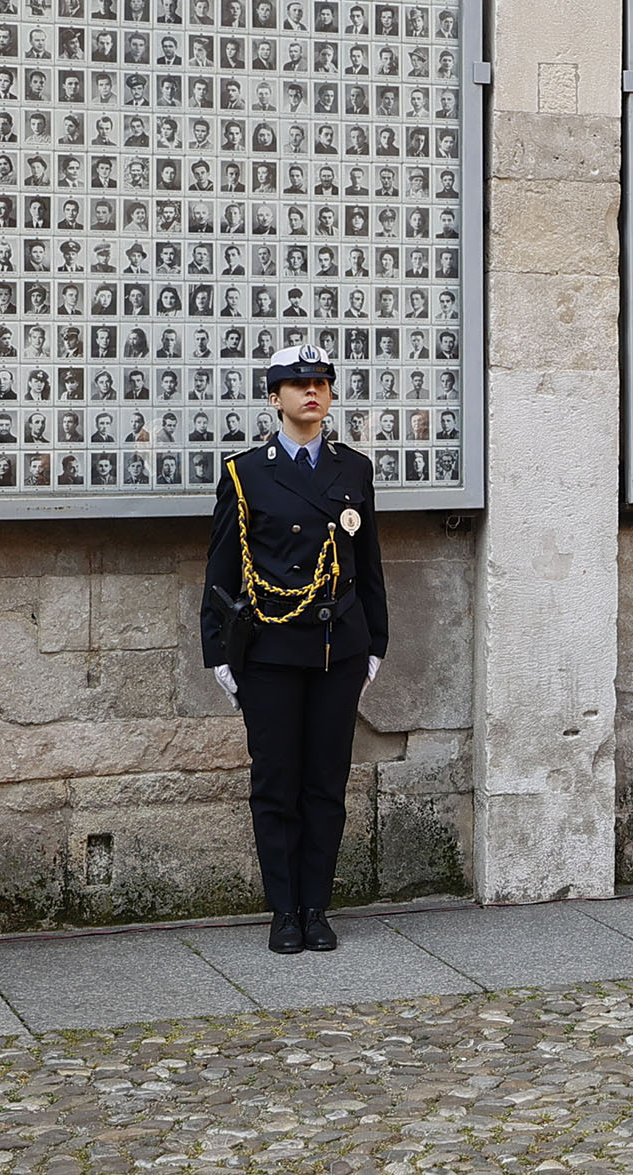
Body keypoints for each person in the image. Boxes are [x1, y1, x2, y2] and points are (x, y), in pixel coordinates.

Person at [199, 344, 388, 955]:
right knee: (276, 781)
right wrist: (219, 653)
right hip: (273, 649)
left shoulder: (353, 469)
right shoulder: (245, 472)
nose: (313, 392)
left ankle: (316, 906)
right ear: (275, 396)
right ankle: (284, 912)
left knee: (326, 782)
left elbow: (370, 565)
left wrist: (376, 641)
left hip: (338, 646)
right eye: (299, 383)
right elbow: (222, 568)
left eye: (322, 383)